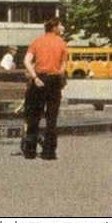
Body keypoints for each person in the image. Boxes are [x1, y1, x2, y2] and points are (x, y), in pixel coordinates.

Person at [22, 17, 69, 160]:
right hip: (54, 81)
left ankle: (30, 150)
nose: (61, 28)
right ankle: (49, 151)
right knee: (51, 117)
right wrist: (60, 75)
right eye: (60, 26)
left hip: (39, 80)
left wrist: (35, 76)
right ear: (54, 27)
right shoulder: (62, 43)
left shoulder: (37, 41)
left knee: (34, 117)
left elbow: (26, 61)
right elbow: (64, 64)